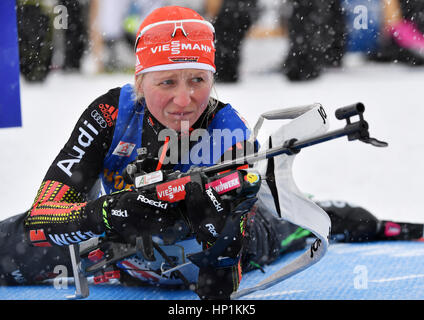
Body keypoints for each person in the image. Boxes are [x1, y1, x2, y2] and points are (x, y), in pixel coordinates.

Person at [0, 5, 422, 300]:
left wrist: (209, 225)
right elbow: (43, 220)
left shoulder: (229, 129)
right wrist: (116, 212)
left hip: (216, 251)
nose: (184, 100)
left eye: (198, 81)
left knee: (307, 222)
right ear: (139, 80)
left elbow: (222, 281)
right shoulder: (108, 113)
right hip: (109, 252)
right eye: (167, 82)